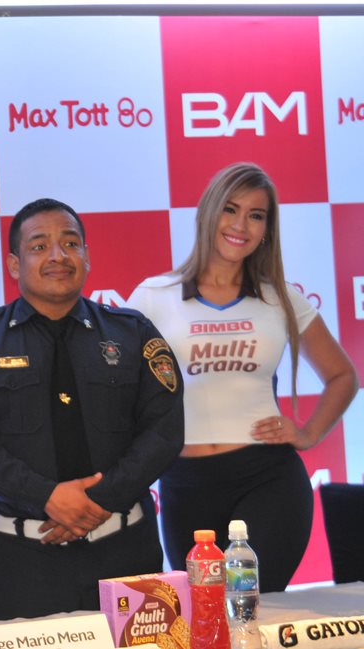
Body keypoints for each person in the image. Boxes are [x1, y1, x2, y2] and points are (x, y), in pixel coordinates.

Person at [0, 198, 184, 622]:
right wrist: (48, 497)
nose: (58, 255)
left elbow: (163, 433)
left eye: (70, 243)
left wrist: (97, 503)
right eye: (39, 246)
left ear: (86, 257)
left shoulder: (133, 333)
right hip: (23, 563)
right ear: (15, 265)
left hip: (127, 557)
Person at [127, 162, 356, 591]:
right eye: (230, 209)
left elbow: (343, 376)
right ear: (208, 214)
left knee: (255, 608)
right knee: (208, 617)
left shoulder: (279, 297)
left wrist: (307, 434)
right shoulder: (153, 296)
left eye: (256, 215)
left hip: (267, 479)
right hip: (184, 483)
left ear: (267, 229)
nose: (240, 225)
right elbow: (119, 391)